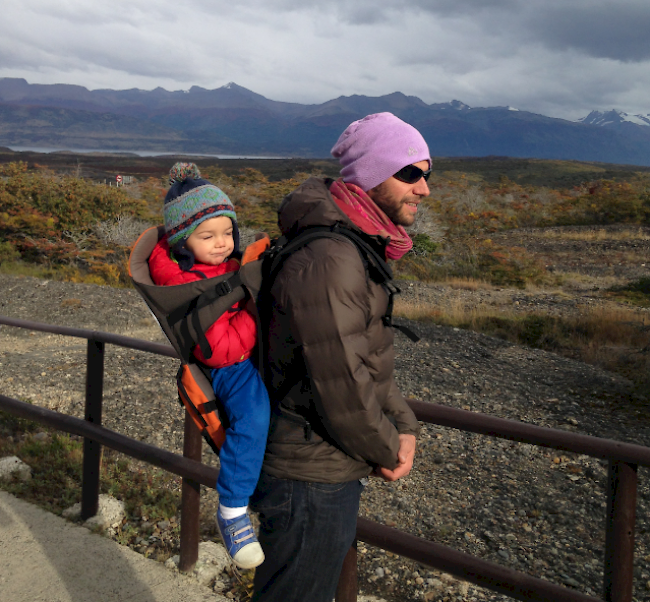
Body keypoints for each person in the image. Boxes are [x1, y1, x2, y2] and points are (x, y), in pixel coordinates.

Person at [250, 112, 427, 601]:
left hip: (322, 463)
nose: (424, 189)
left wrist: (403, 422)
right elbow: (342, 382)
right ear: (371, 175)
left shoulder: (350, 245)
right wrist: (390, 448)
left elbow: (361, 353)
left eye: (426, 174)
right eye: (410, 173)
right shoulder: (331, 257)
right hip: (309, 473)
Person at [148, 162, 270, 570]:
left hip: (240, 354)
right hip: (230, 367)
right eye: (208, 235)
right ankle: (233, 510)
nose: (222, 243)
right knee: (252, 418)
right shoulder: (188, 284)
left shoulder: (212, 267)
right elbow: (222, 350)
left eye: (227, 232)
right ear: (183, 241)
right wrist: (256, 306)